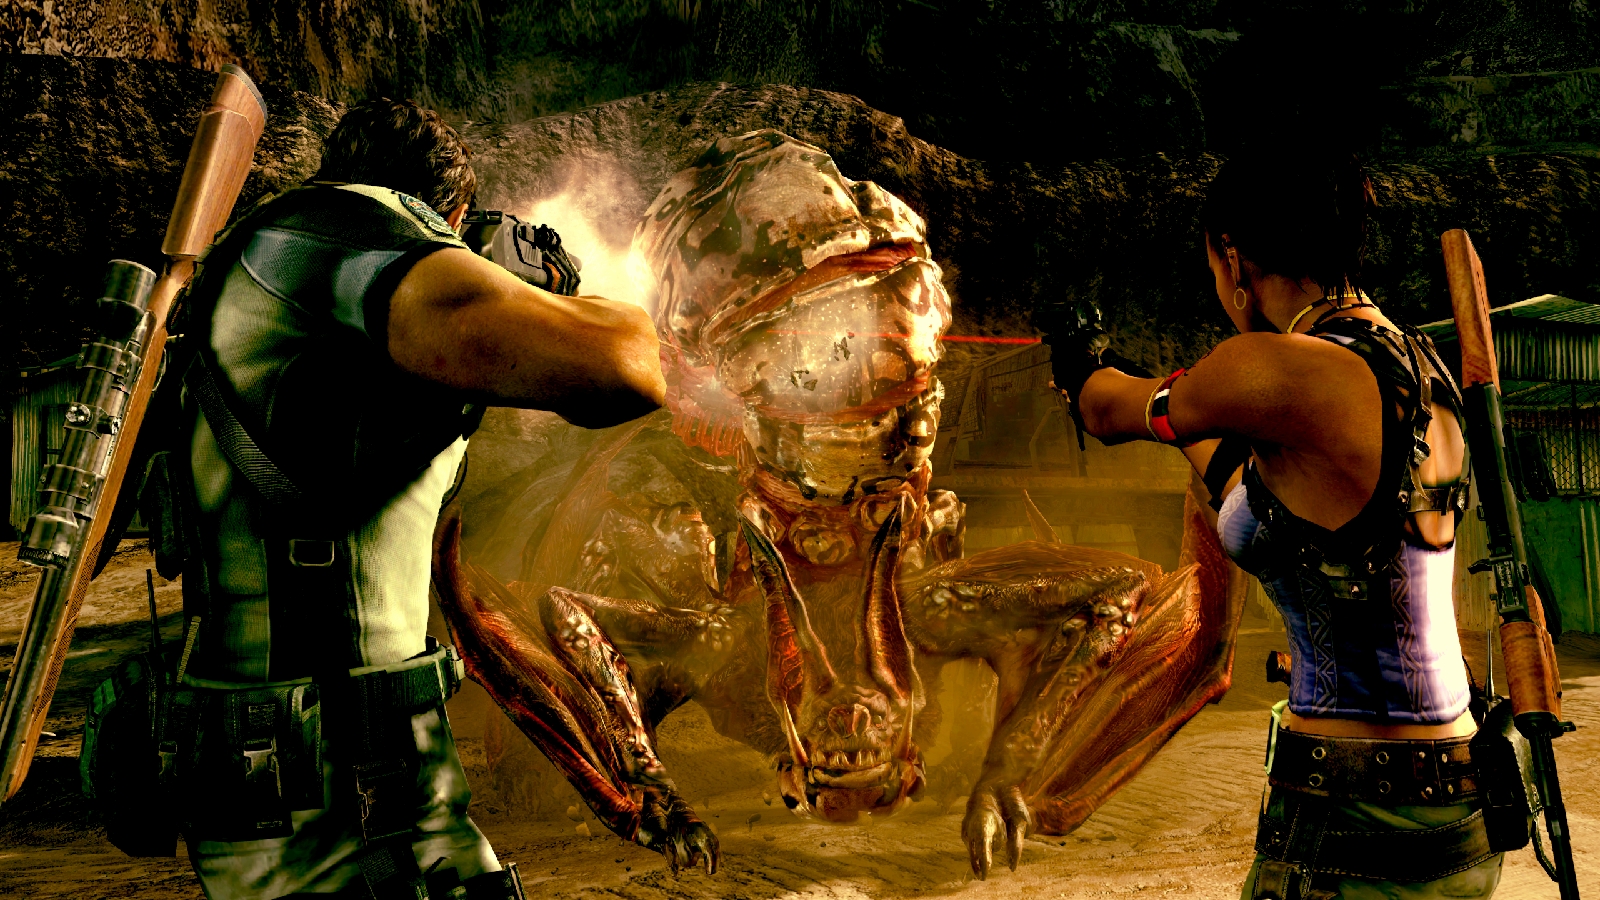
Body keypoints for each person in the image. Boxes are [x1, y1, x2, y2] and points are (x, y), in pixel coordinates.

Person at [151, 98, 665, 899]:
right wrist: (561, 297)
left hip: (333, 767)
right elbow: (623, 368)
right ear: (439, 213)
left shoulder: (275, 259)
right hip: (329, 777)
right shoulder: (350, 225)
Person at [1048, 147, 1501, 899]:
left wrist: (1080, 360)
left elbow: (1107, 411)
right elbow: (1253, 489)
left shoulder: (1272, 365)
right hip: (1458, 805)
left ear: (1233, 255)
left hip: (1349, 820)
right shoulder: (1417, 366)